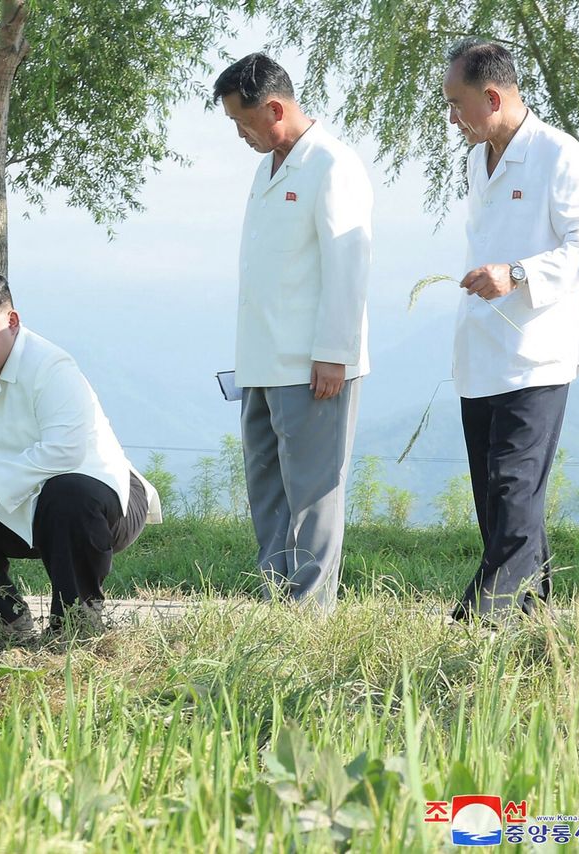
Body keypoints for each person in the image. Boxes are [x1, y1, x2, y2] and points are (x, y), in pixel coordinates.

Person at [442, 39, 579, 622]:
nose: (452, 117)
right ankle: (535, 626)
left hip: (537, 354)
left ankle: (478, 625)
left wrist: (515, 274)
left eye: (457, 103)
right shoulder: (474, 158)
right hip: (479, 354)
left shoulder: (561, 155)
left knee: (514, 492)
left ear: (492, 96)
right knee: (496, 502)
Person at [0, 271, 162, 635]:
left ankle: (75, 627)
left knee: (69, 493)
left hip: (103, 499)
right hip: (17, 498)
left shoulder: (50, 366)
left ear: (11, 321)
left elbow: (67, 450)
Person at [213, 53, 373, 613]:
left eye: (243, 121)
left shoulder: (333, 164)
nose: (239, 134)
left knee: (313, 494)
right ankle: (278, 601)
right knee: (267, 491)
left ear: (275, 108)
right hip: (260, 360)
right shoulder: (268, 167)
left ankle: (309, 613)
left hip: (313, 365)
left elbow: (347, 265)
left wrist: (334, 354)